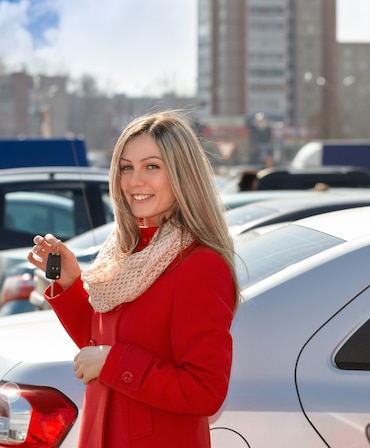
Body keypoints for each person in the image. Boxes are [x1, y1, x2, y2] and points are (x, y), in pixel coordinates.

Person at [27, 110, 240, 448]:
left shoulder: (200, 265)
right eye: (127, 167)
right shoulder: (123, 252)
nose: (134, 181)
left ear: (182, 174)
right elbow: (97, 345)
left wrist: (113, 362)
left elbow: (205, 391)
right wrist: (69, 282)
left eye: (151, 166)